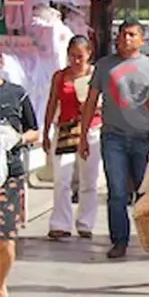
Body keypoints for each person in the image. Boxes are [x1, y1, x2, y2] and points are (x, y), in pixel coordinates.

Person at [79, 20, 149, 259]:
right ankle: (119, 240)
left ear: (142, 40)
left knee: (145, 191)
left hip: (144, 137)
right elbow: (91, 101)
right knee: (117, 192)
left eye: (132, 35)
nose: (126, 39)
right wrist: (83, 136)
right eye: (122, 34)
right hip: (113, 137)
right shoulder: (105, 66)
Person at [43, 36, 101, 240]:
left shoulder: (96, 75)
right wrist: (46, 130)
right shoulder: (60, 76)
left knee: (89, 180)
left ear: (89, 54)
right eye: (72, 56)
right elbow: (52, 102)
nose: (76, 61)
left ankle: (85, 223)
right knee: (62, 178)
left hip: (91, 130)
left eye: (80, 57)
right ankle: (60, 223)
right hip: (66, 130)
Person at [0, 54, 41, 297]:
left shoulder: (16, 94)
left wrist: (17, 138)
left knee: (6, 242)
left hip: (9, 176)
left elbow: (34, 131)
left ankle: (0, 284)